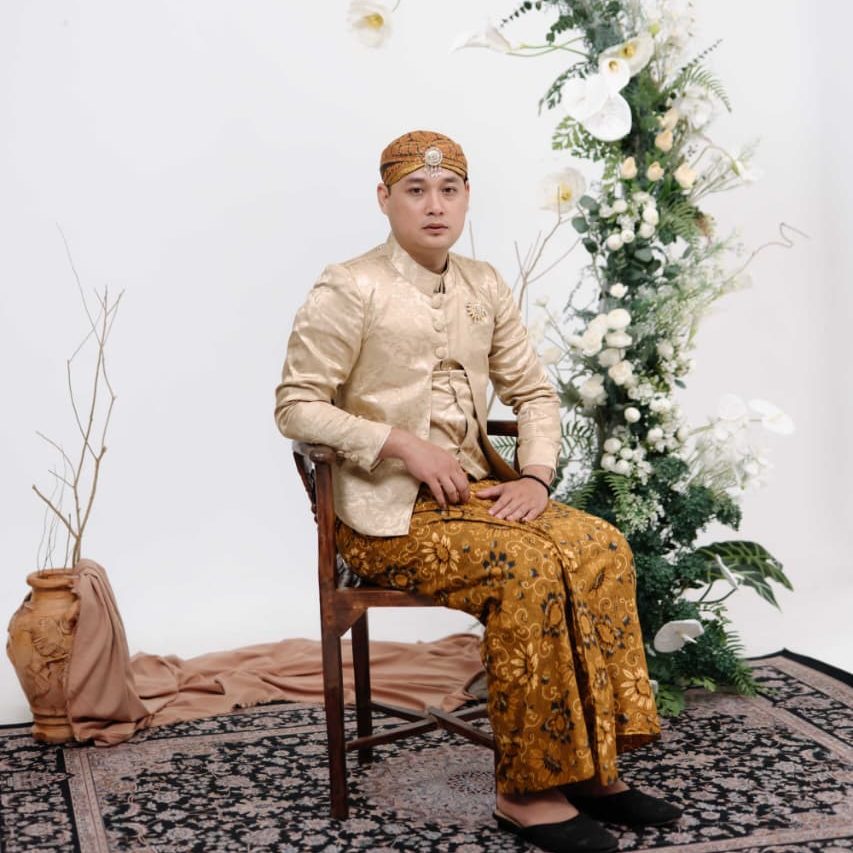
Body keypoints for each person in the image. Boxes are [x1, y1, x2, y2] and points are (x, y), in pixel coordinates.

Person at [274, 130, 681, 853]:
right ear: (384, 199)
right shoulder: (349, 285)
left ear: (466, 199)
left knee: (600, 545)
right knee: (526, 568)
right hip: (386, 515)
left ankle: (592, 769)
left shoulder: (484, 283)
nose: (434, 205)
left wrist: (535, 476)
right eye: (416, 190)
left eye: (449, 190)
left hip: (477, 496)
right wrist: (402, 443)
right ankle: (525, 792)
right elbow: (296, 407)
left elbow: (535, 394)